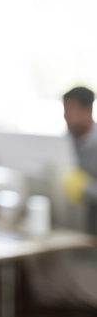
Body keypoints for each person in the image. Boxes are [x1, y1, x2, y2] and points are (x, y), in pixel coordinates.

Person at [63, 86, 97, 233]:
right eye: (65, 109)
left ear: (87, 110)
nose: (66, 115)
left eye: (71, 109)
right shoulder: (73, 135)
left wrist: (85, 188)